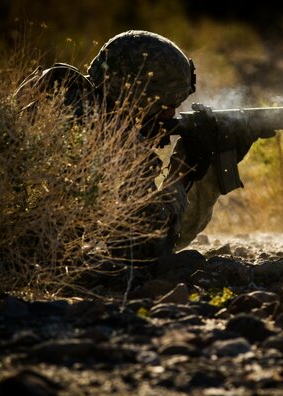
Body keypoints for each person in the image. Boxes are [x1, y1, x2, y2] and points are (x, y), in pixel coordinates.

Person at [14, 30, 251, 262]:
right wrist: (183, 172)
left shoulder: (63, 92)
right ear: (138, 95)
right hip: (22, 254)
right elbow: (147, 249)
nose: (171, 112)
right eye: (167, 103)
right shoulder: (108, 136)